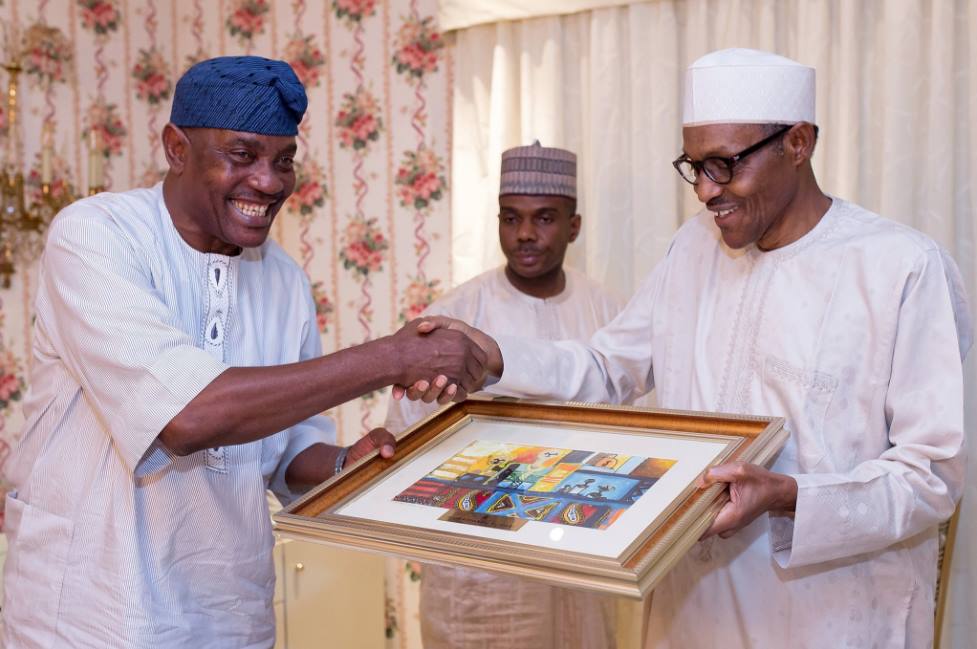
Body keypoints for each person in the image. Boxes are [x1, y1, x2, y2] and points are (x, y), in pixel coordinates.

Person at [403, 48, 973, 648]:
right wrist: (496, 356)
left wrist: (788, 496)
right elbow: (606, 368)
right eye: (694, 165)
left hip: (830, 616)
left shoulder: (900, 267)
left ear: (799, 143)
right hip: (693, 610)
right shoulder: (693, 249)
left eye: (724, 164)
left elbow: (930, 475)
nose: (704, 190)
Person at [2, 56, 486, 649]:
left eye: (284, 160)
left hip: (231, 618)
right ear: (176, 147)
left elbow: (287, 455)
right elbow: (186, 417)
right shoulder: (97, 236)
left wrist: (346, 465)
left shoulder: (283, 280)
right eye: (243, 155)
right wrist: (390, 358)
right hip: (93, 616)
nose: (270, 181)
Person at [386, 142, 620, 649]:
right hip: (481, 572)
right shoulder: (458, 313)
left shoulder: (607, 312)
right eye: (510, 218)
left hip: (581, 562)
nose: (525, 235)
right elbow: (406, 431)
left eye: (544, 218)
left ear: (574, 226)